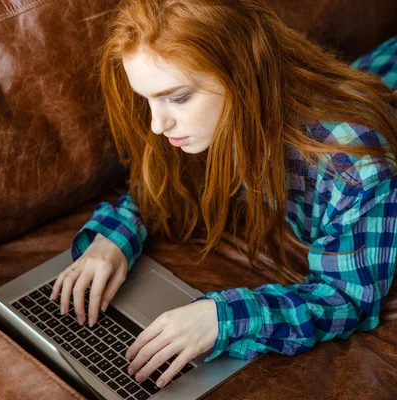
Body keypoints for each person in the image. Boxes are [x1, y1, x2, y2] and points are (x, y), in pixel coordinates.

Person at [50, 0, 397, 390]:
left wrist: (220, 318)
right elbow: (173, 183)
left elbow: (348, 297)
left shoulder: (354, 164)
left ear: (243, 75)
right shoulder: (211, 120)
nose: (157, 123)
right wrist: (113, 237)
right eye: (147, 98)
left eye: (177, 98)